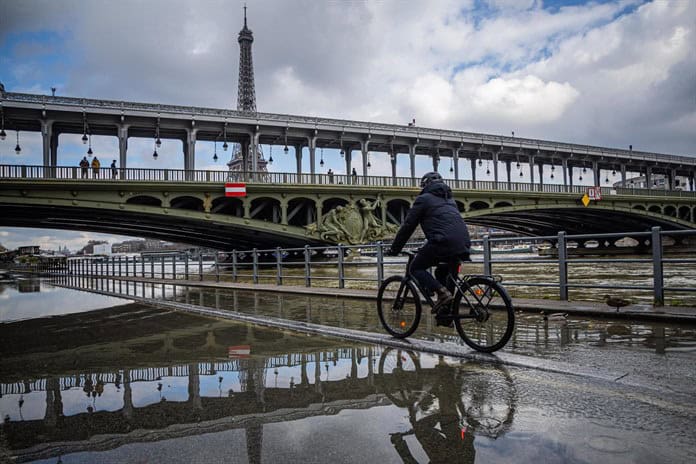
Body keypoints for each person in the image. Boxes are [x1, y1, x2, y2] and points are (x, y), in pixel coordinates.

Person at [387, 172, 471, 326]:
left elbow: (408, 226)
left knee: (415, 268)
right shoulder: (450, 200)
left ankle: (441, 293)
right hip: (463, 243)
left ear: (425, 185)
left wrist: (394, 248)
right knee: (441, 272)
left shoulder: (423, 199)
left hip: (442, 242)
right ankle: (446, 315)